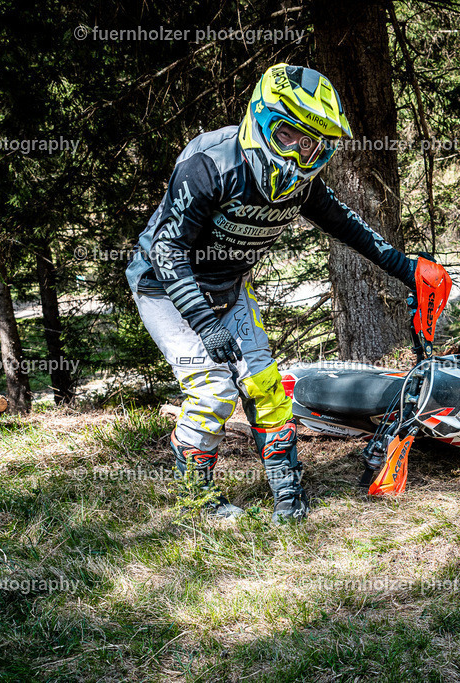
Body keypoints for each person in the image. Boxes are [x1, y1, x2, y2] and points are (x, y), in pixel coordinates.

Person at [125, 63, 420, 522]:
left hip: (227, 285)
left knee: (265, 385)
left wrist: (409, 269)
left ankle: (286, 487)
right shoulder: (210, 163)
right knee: (213, 392)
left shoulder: (302, 186)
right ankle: (197, 500)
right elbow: (168, 249)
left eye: (313, 145)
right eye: (289, 136)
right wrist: (204, 324)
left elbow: (348, 227)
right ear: (260, 120)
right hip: (163, 286)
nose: (300, 155)